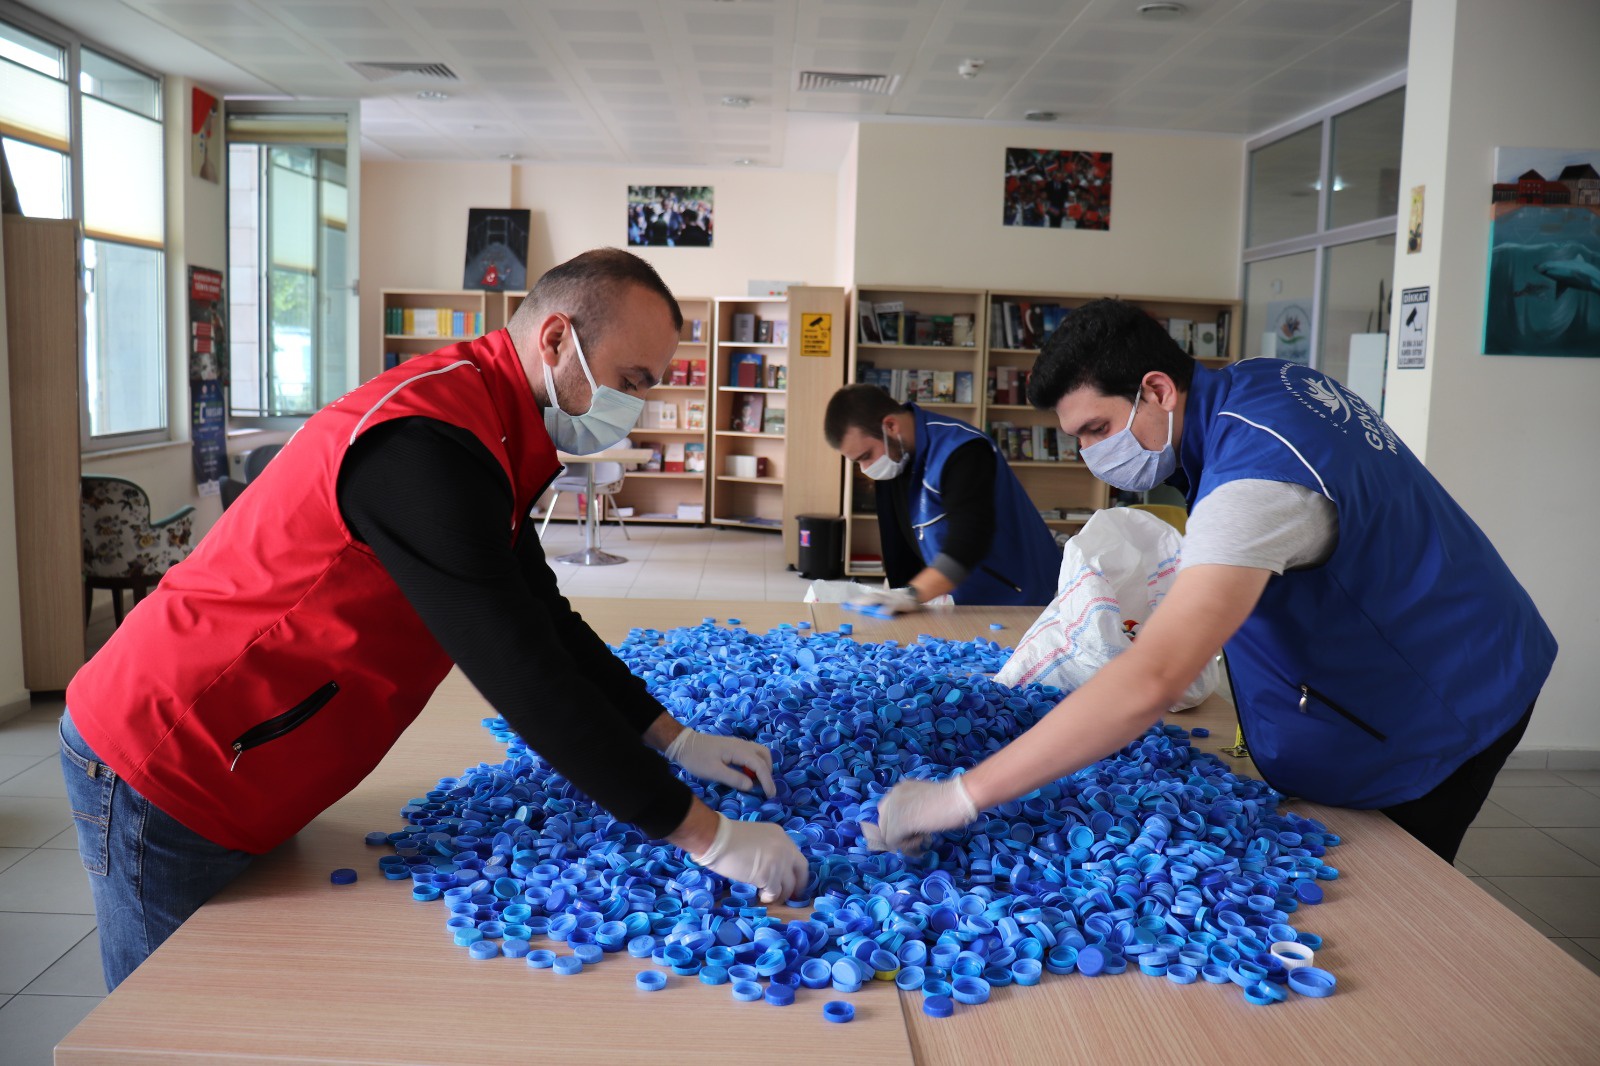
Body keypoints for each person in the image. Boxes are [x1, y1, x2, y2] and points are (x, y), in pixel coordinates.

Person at [60, 249, 808, 991]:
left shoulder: (495, 425)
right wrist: (703, 835)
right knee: (169, 1020)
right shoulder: (427, 445)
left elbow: (542, 616)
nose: (634, 409)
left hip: (252, 756)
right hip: (169, 756)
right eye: (630, 382)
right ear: (555, 340)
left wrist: (675, 738)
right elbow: (523, 673)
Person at [866, 298, 1556, 865]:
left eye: (1098, 428)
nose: (1090, 455)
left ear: (1158, 390)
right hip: (1466, 629)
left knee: (1402, 893)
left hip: (1447, 694)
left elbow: (1154, 679)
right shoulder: (1257, 380)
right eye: (1076, 436)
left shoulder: (1255, 484)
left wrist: (962, 795)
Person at [823, 383, 1060, 612]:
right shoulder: (893, 460)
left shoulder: (963, 450)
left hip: (1024, 597)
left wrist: (912, 596)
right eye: (858, 461)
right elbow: (899, 548)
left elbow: (968, 542)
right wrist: (895, 596)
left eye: (866, 455)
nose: (866, 468)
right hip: (968, 600)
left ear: (891, 427)